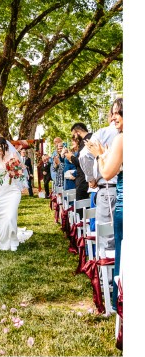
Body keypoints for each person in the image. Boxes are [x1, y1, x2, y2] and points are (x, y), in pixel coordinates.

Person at [87, 98, 122, 305]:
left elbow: (108, 172)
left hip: (112, 191)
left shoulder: (117, 138)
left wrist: (100, 156)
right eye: (113, 113)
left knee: (111, 238)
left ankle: (112, 286)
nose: (113, 117)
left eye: (117, 113)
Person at [0, 137, 33, 251]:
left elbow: (20, 170)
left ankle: (13, 241)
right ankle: (3, 240)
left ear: (5, 145)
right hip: (0, 191)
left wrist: (14, 170)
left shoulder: (13, 156)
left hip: (13, 190)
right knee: (2, 217)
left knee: (10, 216)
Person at [84, 122, 119, 251]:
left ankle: (109, 263)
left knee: (107, 240)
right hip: (114, 189)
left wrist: (91, 178)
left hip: (109, 188)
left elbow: (84, 155)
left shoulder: (104, 133)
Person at [71, 123, 92, 201]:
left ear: (78, 132)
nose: (75, 138)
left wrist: (71, 157)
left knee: (81, 204)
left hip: (84, 179)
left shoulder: (85, 141)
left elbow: (81, 161)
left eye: (74, 135)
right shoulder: (92, 137)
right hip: (87, 178)